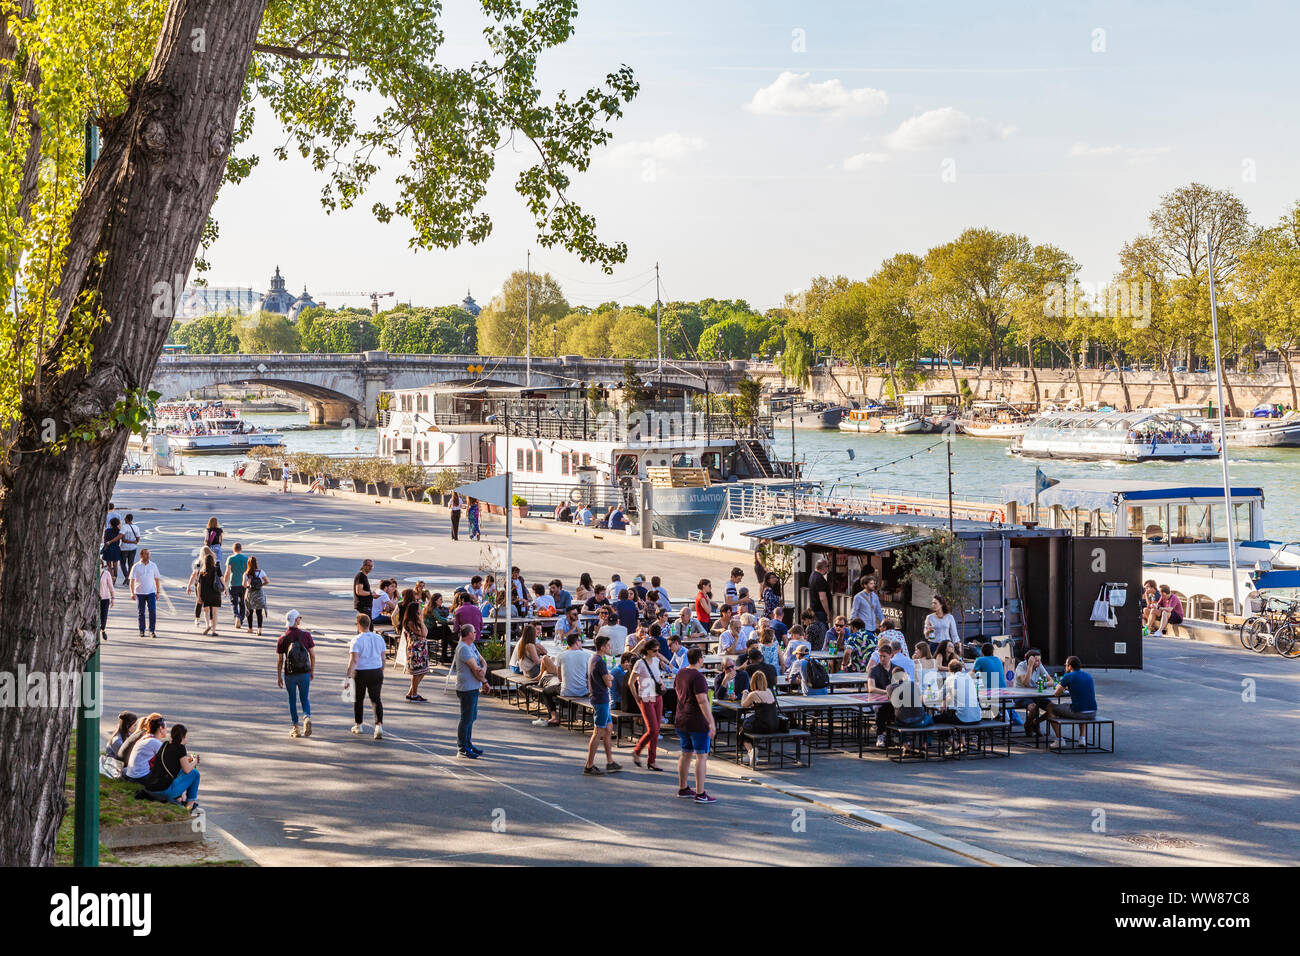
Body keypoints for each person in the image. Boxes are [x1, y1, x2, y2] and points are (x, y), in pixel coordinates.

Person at [674, 648, 717, 804]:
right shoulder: (698, 677)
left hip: (681, 718)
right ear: (700, 659)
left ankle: (683, 787)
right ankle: (700, 793)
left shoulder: (681, 673)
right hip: (697, 721)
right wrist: (711, 722)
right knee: (701, 756)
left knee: (685, 754)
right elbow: (702, 700)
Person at [583, 634, 622, 775]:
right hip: (601, 699)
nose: (610, 647)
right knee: (598, 732)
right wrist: (610, 678)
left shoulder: (593, 658)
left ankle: (610, 761)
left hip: (598, 697)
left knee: (608, 728)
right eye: (608, 645)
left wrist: (609, 677)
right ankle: (589, 765)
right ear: (602, 647)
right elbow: (609, 682)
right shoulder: (600, 662)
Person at [143, 724, 201, 812]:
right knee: (195, 774)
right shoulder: (180, 748)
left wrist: (189, 761)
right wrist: (195, 761)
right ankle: (190, 805)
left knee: (182, 772)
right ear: (183, 737)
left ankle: (179, 798)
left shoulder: (165, 744)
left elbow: (173, 764)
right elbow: (187, 770)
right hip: (162, 791)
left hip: (150, 788)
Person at [346, 612, 386, 739]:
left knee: (358, 699)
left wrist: (348, 676)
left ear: (359, 625)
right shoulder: (379, 638)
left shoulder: (356, 640)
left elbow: (354, 660)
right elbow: (383, 657)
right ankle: (378, 725)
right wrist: (382, 671)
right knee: (376, 699)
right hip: (376, 670)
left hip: (361, 672)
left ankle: (358, 725)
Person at [629, 638, 666, 770]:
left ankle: (652, 760)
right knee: (653, 729)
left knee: (656, 730)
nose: (657, 653)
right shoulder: (640, 663)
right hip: (645, 698)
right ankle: (637, 751)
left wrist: (661, 684)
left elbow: (657, 677)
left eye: (658, 650)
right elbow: (631, 682)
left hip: (657, 697)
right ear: (648, 651)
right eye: (655, 651)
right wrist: (636, 698)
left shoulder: (656, 661)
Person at [453, 623, 488, 758]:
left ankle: (468, 742)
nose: (476, 633)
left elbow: (482, 662)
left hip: (474, 686)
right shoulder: (463, 648)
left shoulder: (471, 646)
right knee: (466, 719)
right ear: (468, 634)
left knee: (472, 717)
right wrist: (484, 680)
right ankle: (462, 747)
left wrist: (482, 671)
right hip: (466, 688)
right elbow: (475, 669)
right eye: (473, 632)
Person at [738, 669, 781, 767]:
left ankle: (750, 751)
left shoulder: (753, 694)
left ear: (752, 682)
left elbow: (743, 704)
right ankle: (751, 753)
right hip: (774, 724)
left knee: (742, 729)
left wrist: (744, 693)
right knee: (749, 725)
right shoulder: (770, 691)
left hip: (763, 725)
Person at [1013, 648, 1057, 738]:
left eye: (1040, 660)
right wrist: (1030, 666)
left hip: (1036, 694)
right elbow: (1026, 683)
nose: (1039, 663)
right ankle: (1027, 725)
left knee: (1053, 708)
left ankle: (1035, 722)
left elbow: (1051, 681)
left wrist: (1041, 684)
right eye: (1037, 661)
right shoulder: (1021, 666)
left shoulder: (1039, 666)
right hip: (1021, 695)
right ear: (1030, 660)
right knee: (1034, 708)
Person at [1049, 655, 1098, 731]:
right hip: (1093, 712)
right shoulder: (1088, 675)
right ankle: (1082, 738)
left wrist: (1060, 686)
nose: (1065, 667)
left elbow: (1056, 693)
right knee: (1080, 705)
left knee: (1050, 707)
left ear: (1070, 666)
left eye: (1066, 665)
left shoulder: (1068, 676)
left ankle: (1059, 739)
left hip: (1079, 712)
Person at [399, 596, 430, 702]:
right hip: (416, 650)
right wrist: (421, 620)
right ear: (415, 611)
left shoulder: (415, 620)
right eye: (419, 609)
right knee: (417, 672)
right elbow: (424, 633)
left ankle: (411, 692)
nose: (421, 610)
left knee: (423, 671)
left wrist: (421, 620)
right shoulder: (411, 622)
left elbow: (425, 633)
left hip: (421, 649)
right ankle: (414, 694)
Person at [935, 658, 982, 726]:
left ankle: (947, 736)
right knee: (951, 712)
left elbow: (940, 696)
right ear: (961, 669)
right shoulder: (968, 677)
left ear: (949, 670)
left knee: (936, 718)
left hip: (962, 719)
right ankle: (954, 736)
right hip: (977, 717)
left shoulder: (950, 678)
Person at [122, 714, 167, 784]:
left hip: (130, 774)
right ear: (161, 728)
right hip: (140, 777)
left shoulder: (146, 737)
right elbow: (168, 761)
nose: (167, 730)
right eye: (166, 728)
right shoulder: (154, 742)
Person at [128, 548, 162, 639]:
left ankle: (152, 631)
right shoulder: (136, 566)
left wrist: (158, 592)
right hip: (140, 592)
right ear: (141, 555)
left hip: (151, 592)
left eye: (149, 554)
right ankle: (141, 630)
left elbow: (157, 579)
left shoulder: (153, 565)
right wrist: (132, 593)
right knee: (141, 612)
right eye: (146, 554)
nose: (148, 556)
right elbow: (132, 581)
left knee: (152, 611)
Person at [224, 543, 249, 629]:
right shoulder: (246, 559)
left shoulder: (230, 558)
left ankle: (237, 616)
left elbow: (227, 572)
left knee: (234, 602)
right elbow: (248, 572)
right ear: (241, 549)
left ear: (233, 549)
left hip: (233, 583)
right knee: (242, 603)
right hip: (243, 584)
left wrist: (224, 584)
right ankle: (241, 619)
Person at [243, 555, 269, 635]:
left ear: (248, 564)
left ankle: (250, 628)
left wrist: (248, 585)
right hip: (259, 593)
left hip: (250, 593)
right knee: (259, 611)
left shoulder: (246, 573)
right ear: (256, 563)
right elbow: (267, 581)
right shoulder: (261, 572)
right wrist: (260, 585)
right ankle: (259, 629)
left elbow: (243, 584)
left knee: (249, 611)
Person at [808, 558, 832, 625]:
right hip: (820, 611)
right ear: (824, 568)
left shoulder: (812, 575)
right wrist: (828, 613)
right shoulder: (820, 579)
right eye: (827, 566)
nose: (828, 569)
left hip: (815, 609)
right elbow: (822, 598)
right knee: (822, 632)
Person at [118, 513, 142, 581]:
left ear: (127, 519)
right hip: (133, 548)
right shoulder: (136, 527)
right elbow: (137, 539)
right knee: (130, 563)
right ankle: (129, 577)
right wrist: (133, 542)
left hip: (124, 548)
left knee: (122, 563)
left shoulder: (124, 527)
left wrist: (126, 541)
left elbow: (122, 538)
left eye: (125, 518)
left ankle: (126, 576)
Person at [97, 558, 115, 643]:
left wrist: (112, 598)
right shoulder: (91, 574)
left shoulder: (106, 574)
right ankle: (95, 634)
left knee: (104, 616)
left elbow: (111, 587)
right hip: (94, 600)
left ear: (101, 565)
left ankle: (103, 630)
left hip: (104, 598)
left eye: (99, 564)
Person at [102, 518, 125, 586]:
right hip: (116, 548)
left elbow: (105, 540)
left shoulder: (107, 530)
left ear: (110, 524)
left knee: (109, 565)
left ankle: (111, 578)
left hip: (108, 548)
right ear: (118, 524)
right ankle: (115, 576)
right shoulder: (119, 531)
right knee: (115, 564)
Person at [353, 559, 375, 629]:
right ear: (364, 566)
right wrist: (371, 594)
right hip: (363, 607)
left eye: (371, 566)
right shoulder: (360, 576)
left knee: (366, 627)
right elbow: (359, 591)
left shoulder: (364, 576)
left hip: (366, 607)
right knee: (367, 628)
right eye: (368, 566)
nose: (370, 568)